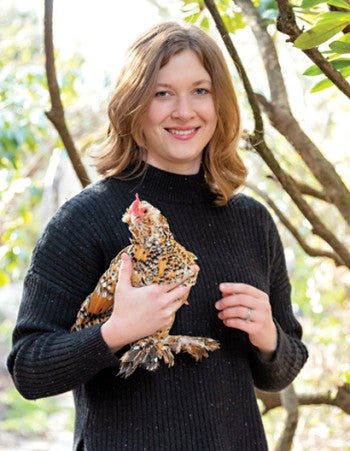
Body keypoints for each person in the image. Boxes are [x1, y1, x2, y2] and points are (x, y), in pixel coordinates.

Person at [8, 21, 308, 450]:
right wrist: (114, 332)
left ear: (220, 104)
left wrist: (269, 338)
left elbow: (284, 367)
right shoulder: (84, 220)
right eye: (162, 93)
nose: (184, 111)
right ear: (133, 104)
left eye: (200, 91)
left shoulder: (251, 221)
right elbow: (28, 369)